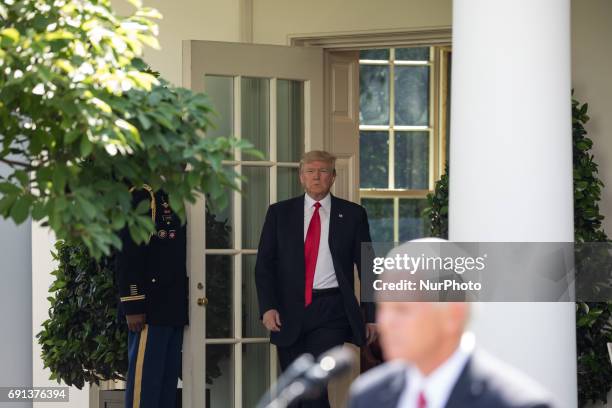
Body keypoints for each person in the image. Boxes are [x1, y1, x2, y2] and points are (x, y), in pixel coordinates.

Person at [347, 241, 556, 408]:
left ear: (453, 315)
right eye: (383, 307)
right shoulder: (366, 397)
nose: (386, 323)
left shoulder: (517, 403)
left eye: (402, 309)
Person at [255, 150, 377, 408]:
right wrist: (267, 307)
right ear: (301, 177)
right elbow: (264, 265)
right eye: (310, 171)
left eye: (323, 171)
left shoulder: (353, 214)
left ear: (333, 177)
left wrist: (372, 316)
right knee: (293, 389)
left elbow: (368, 267)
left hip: (330, 310)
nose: (316, 177)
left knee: (315, 387)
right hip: (288, 311)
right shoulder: (279, 213)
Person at [115, 184, 188, 408]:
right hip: (150, 308)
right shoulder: (143, 195)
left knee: (166, 389)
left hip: (173, 305)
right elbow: (128, 251)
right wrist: (133, 303)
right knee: (144, 391)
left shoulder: (179, 194)